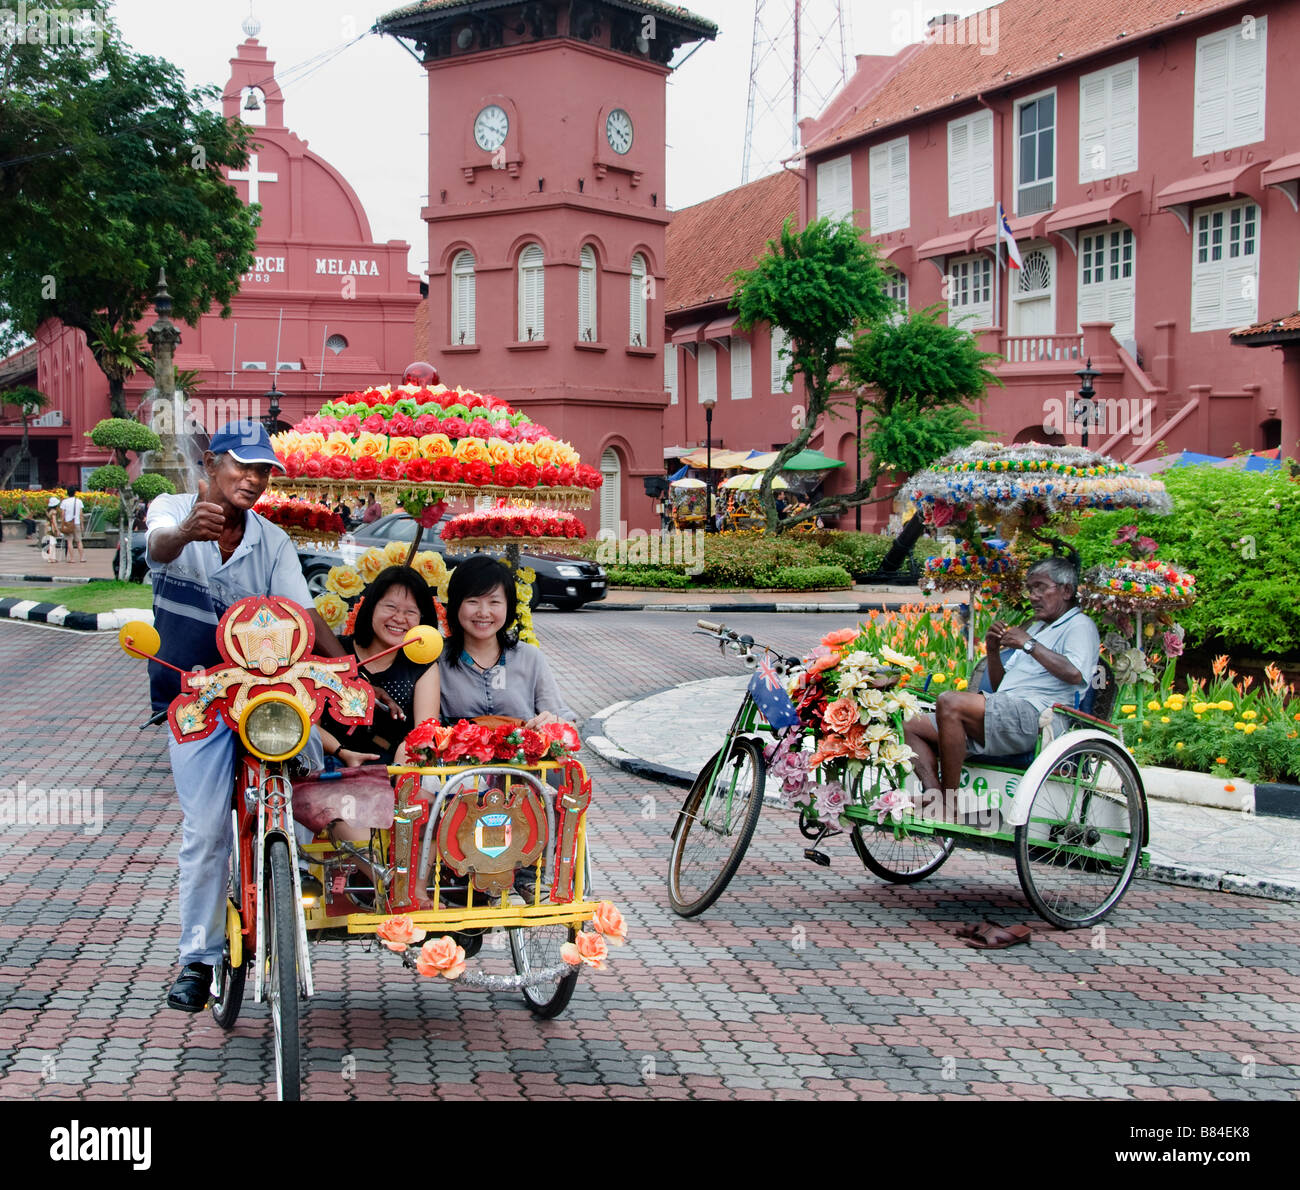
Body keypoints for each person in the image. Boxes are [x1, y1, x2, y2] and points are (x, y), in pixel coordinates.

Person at [146, 420, 352, 1014]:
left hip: (266, 699)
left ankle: (301, 901)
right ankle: (198, 958)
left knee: (313, 790)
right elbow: (157, 546)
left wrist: (353, 671)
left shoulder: (273, 541)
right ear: (211, 464)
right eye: (244, 466)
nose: (255, 480)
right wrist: (185, 533)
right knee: (207, 829)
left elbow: (305, 618)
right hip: (198, 700)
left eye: (264, 470)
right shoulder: (173, 509)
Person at [903, 556, 1100, 815]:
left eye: (1041, 587)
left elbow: (1075, 673)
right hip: (1007, 711)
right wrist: (994, 651)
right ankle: (935, 795)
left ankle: (949, 804)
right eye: (1030, 589)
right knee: (906, 722)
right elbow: (1001, 687)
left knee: (950, 701)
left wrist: (1029, 644)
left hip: (1038, 717)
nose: (1033, 596)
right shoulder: (1040, 627)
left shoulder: (1079, 626)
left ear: (1066, 590)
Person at [319, 566, 441, 767]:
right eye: (390, 607)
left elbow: (425, 733)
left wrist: (397, 773)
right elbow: (306, 722)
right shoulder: (335, 650)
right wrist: (341, 753)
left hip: (391, 772)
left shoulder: (423, 666)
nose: (400, 619)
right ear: (371, 607)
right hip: (329, 764)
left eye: (410, 612)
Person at [438, 554, 574, 727]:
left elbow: (566, 723)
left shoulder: (529, 657)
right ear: (456, 604)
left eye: (494, 602)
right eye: (473, 601)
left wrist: (555, 723)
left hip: (520, 753)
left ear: (508, 606)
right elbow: (426, 728)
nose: (483, 612)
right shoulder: (437, 660)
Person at [59, 485, 85, 563]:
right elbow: (81, 514)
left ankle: (72, 558)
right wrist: (82, 525)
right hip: (76, 523)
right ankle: (82, 558)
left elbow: (62, 514)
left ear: (67, 493)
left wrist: (63, 523)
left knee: (69, 541)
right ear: (75, 493)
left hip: (68, 524)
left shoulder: (64, 502)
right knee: (79, 541)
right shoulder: (79, 501)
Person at [42, 496, 63, 563]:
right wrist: (57, 530)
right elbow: (54, 522)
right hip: (51, 528)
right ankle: (51, 558)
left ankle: (52, 557)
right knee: (52, 543)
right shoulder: (54, 512)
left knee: (51, 542)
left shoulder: (49, 511)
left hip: (48, 528)